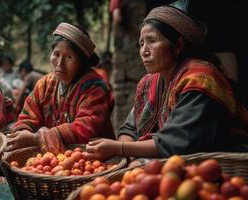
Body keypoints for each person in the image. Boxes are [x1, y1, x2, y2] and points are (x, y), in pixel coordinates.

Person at [86, 5, 248, 160]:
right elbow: (130, 128)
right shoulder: (149, 83)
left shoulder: (200, 79)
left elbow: (176, 142)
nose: (144, 51)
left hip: (222, 165)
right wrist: (129, 153)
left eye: (152, 41)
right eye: (141, 43)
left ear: (177, 45)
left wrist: (120, 148)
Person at [6, 22, 116, 154]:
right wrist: (23, 132)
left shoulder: (95, 87)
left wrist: (36, 138)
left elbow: (85, 128)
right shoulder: (44, 84)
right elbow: (27, 117)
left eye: (69, 57)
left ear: (82, 62)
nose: (60, 63)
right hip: (51, 162)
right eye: (56, 54)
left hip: (90, 159)